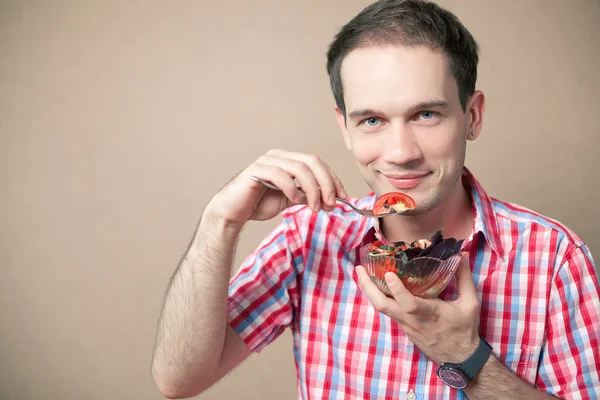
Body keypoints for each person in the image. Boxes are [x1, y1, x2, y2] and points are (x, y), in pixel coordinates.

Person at [151, 0, 600, 399]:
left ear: (473, 116)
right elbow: (178, 381)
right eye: (371, 120)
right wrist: (220, 221)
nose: (401, 152)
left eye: (427, 114)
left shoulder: (555, 259)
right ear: (344, 127)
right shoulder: (308, 236)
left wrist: (467, 356)